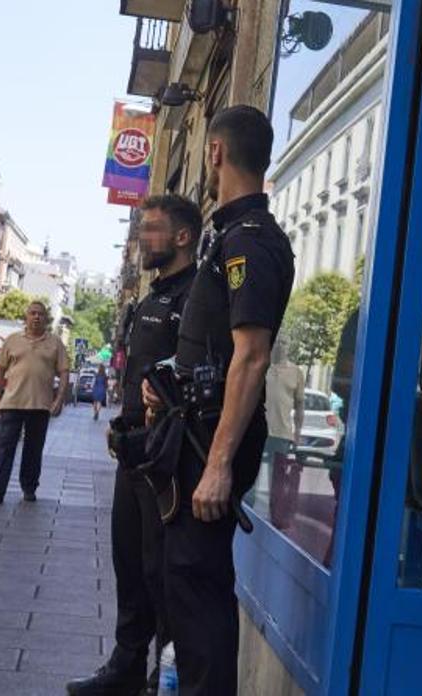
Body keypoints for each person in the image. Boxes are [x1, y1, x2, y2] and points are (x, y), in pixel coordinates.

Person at [143, 105, 294, 695]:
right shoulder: (228, 234)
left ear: (215, 154)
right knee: (184, 582)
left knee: (197, 584)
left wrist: (217, 466)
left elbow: (251, 356)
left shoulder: (250, 240)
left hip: (211, 445)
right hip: (193, 436)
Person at [68, 194, 201, 696]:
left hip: (166, 459)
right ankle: (124, 667)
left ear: (182, 236)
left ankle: (159, 677)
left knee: (159, 570)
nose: (142, 239)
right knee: (129, 562)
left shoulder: (196, 296)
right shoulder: (151, 295)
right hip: (132, 452)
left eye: (152, 229)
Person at [0, 301, 69, 504]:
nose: (36, 317)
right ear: (26, 317)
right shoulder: (13, 340)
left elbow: (64, 373)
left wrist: (59, 399)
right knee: (5, 448)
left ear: (46, 319)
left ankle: (29, 488)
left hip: (40, 405)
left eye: (40, 314)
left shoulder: (55, 343)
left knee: (33, 449)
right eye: (32, 313)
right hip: (12, 403)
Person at [264, 340, 304, 530]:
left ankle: (276, 519)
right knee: (249, 472)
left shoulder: (296, 372)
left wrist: (298, 434)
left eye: (285, 343)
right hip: (261, 431)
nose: (281, 346)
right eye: (278, 342)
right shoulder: (263, 366)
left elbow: (300, 406)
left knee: (277, 478)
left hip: (282, 434)